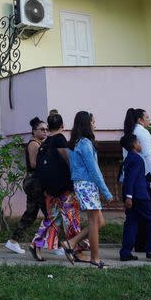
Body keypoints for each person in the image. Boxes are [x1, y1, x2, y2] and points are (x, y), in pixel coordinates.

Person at [29, 110, 88, 262]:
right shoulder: (60, 139)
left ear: (48, 127)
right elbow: (69, 161)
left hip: (50, 189)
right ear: (63, 125)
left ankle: (36, 243)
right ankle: (75, 250)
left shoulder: (45, 143)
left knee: (52, 219)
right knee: (72, 219)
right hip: (64, 189)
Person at [63, 111, 112, 269]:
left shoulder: (76, 142)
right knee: (94, 222)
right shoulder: (84, 143)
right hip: (87, 184)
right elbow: (94, 170)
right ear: (87, 124)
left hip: (82, 184)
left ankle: (71, 242)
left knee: (100, 222)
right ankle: (95, 259)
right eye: (93, 121)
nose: (95, 124)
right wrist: (106, 191)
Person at [122, 108, 151, 250]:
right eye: (147, 117)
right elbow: (148, 155)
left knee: (138, 211)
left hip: (137, 174)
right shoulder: (141, 132)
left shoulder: (133, 131)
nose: (150, 120)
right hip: (143, 173)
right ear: (140, 120)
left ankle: (140, 243)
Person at [119, 133, 151, 261]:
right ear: (134, 145)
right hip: (139, 197)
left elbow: (137, 179)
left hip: (134, 195)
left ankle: (125, 252)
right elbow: (130, 179)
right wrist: (129, 196)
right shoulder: (138, 158)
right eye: (139, 142)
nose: (140, 144)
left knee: (131, 223)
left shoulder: (128, 158)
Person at [5, 116, 48, 254]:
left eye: (46, 129)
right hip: (34, 182)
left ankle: (13, 241)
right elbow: (34, 164)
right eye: (42, 129)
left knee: (31, 214)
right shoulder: (34, 144)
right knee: (49, 214)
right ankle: (53, 244)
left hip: (34, 182)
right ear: (34, 131)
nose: (45, 132)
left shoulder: (38, 143)